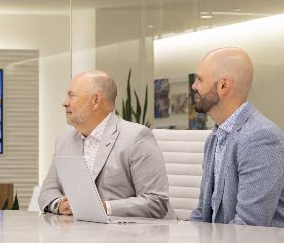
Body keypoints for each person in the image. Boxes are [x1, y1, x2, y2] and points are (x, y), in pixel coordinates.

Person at [38, 70, 172, 219]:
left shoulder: (136, 137)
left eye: (72, 96)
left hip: (129, 237)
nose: (65, 103)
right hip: (76, 235)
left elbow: (156, 201)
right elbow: (47, 191)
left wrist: (105, 208)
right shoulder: (63, 140)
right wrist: (59, 205)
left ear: (95, 101)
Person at [188, 47, 284, 227]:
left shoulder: (261, 137)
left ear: (223, 85)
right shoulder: (215, 138)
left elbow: (249, 226)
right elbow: (202, 213)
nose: (194, 86)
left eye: (200, 79)